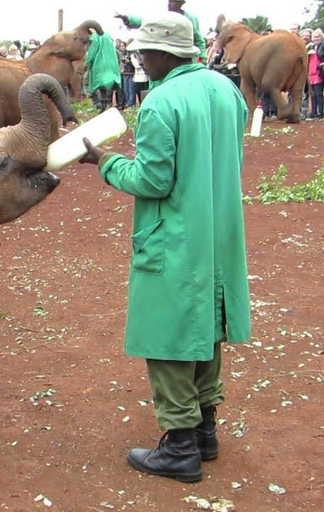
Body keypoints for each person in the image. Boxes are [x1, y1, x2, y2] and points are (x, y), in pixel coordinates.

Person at [78, 12, 251, 483]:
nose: (139, 61)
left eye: (142, 53)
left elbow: (153, 180)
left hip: (174, 235)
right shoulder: (226, 90)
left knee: (170, 336)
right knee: (207, 325)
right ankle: (205, 431)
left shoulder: (161, 102)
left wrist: (106, 161)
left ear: (162, 54)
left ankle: (179, 446)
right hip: (219, 228)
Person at [116, 0, 207, 89]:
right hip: (163, 62)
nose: (169, 4)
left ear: (181, 3)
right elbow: (145, 22)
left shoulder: (191, 20)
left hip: (183, 59)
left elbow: (199, 40)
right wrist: (128, 19)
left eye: (173, 2)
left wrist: (203, 58)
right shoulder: (162, 19)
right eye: (169, 1)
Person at [84, 30, 122, 111]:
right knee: (107, 84)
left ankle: (97, 102)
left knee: (87, 80)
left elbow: (92, 51)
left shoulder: (95, 37)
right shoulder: (108, 36)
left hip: (99, 64)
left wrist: (87, 63)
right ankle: (104, 104)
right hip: (112, 64)